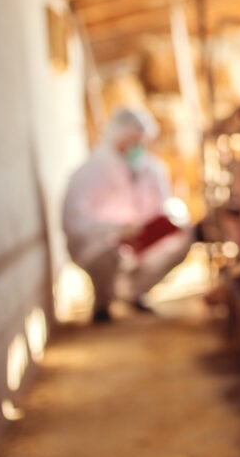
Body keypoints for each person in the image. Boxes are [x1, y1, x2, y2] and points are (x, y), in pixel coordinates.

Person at [62, 107, 197, 323]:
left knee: (184, 237)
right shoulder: (89, 172)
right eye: (133, 139)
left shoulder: (150, 168)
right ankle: (103, 303)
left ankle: (135, 293)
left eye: (142, 140)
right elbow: (76, 222)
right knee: (109, 255)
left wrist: (165, 222)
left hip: (139, 241)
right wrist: (116, 230)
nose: (138, 146)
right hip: (101, 244)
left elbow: (161, 206)